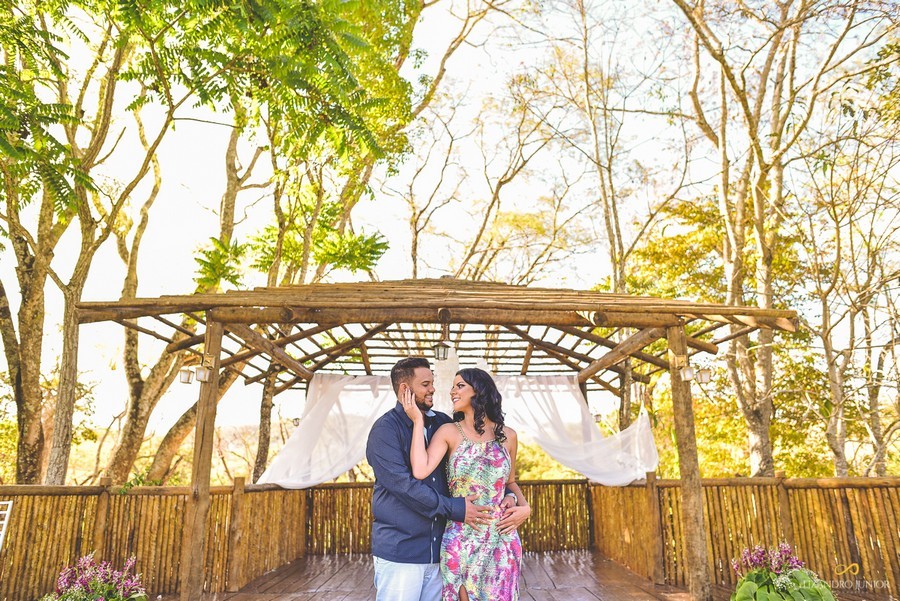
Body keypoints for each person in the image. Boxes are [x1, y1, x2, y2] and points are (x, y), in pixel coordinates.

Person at [368, 357, 518, 601]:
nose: (434, 389)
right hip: (403, 552)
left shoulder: (443, 423)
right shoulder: (385, 430)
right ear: (406, 389)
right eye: (426, 384)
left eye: (433, 382)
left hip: (442, 550)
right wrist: (456, 508)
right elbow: (405, 486)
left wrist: (514, 500)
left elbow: (489, 473)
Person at [401, 367, 530, 601]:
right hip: (461, 536)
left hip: (501, 536)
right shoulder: (449, 431)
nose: (452, 391)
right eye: (453, 386)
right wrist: (417, 421)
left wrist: (526, 507)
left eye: (459, 386)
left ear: (478, 391)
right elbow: (420, 470)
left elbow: (509, 482)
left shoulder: (508, 436)